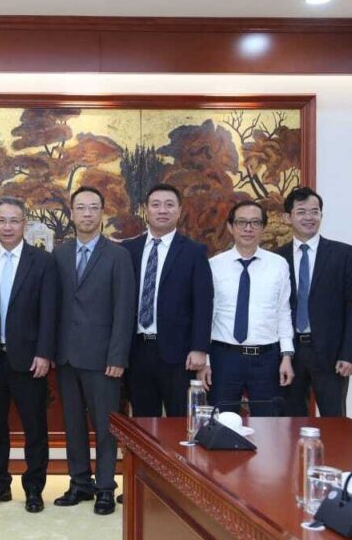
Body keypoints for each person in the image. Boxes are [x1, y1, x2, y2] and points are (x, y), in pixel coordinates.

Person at [53, 186, 135, 516]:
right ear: (71, 213)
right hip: (66, 356)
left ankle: (104, 487)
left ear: (102, 213)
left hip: (103, 360)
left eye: (93, 207)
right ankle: (79, 483)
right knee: (73, 424)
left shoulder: (118, 255)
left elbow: (124, 310)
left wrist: (117, 356)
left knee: (104, 427)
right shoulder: (59, 254)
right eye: (81, 208)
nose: (87, 213)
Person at [0, 196, 58, 513]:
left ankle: (34, 488)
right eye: (2, 220)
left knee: (35, 428)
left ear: (24, 223)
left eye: (14, 220)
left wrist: (44, 352)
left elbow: (50, 312)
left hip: (29, 360)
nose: (7, 226)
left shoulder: (43, 261)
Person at [120, 184, 213, 418]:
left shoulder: (194, 252)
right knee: (143, 421)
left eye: (169, 205)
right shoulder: (128, 250)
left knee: (180, 420)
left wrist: (199, 348)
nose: (162, 210)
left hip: (178, 354)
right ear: (146, 210)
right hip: (137, 351)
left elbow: (203, 304)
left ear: (179, 210)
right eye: (156, 205)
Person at [277, 187, 352, 417]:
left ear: (321, 215)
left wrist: (350, 354)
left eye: (314, 211)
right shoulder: (276, 258)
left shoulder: (344, 254)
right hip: (289, 353)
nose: (309, 217)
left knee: (335, 421)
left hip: (331, 353)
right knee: (291, 421)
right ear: (288, 217)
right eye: (301, 211)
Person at [202, 201, 294, 416]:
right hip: (224, 358)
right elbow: (206, 316)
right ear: (230, 227)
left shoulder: (278, 265)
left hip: (267, 359)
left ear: (263, 227)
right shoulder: (214, 265)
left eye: (255, 223)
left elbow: (283, 312)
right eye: (241, 222)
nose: (248, 228)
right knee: (222, 423)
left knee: (269, 426)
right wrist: (205, 361)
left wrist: (287, 356)